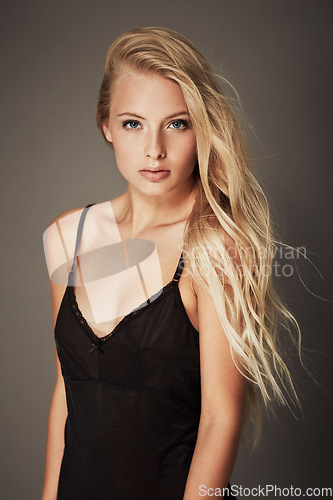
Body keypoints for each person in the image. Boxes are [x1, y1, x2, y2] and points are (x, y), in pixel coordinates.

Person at [41, 26, 303, 500]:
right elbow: (67, 390)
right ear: (106, 127)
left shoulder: (217, 249)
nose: (154, 149)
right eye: (133, 123)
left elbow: (220, 419)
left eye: (177, 123)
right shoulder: (67, 236)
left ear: (201, 128)